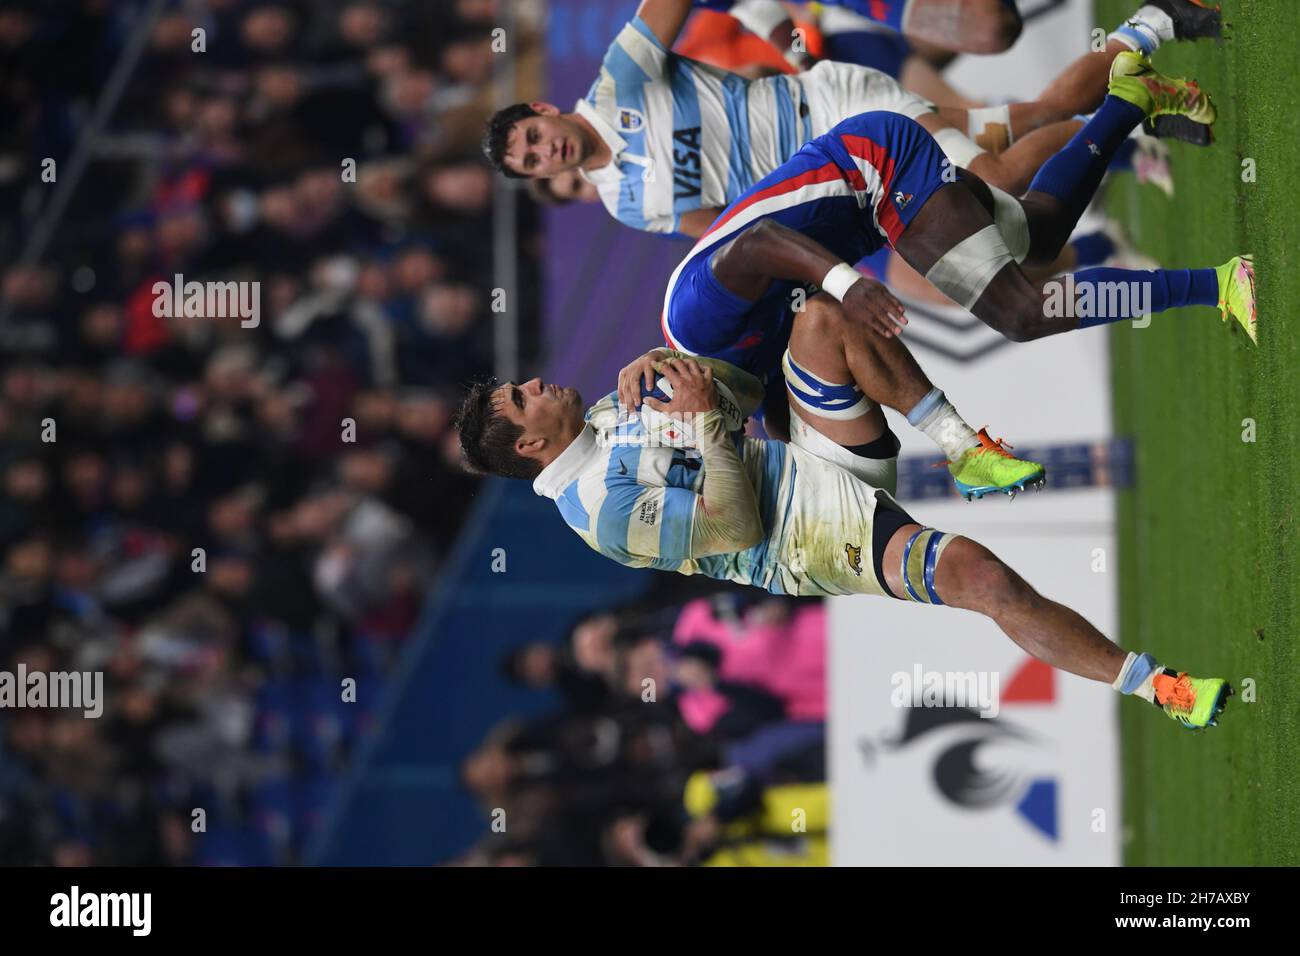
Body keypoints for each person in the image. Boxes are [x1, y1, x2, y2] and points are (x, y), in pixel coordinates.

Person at [453, 354, 1232, 730]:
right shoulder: (597, 511)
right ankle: (1160, 688)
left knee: (822, 322)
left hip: (807, 457)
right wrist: (695, 419)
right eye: (521, 399)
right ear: (527, 448)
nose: (534, 384)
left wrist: (692, 376)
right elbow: (735, 527)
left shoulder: (602, 411)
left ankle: (965, 446)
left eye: (519, 382)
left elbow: (750, 394)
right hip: (806, 535)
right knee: (985, 579)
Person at [482, 0, 1221, 236]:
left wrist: (783, 40)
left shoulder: (617, 78)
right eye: (533, 161)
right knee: (1029, 122)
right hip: (842, 167)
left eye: (534, 136)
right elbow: (731, 226)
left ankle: (1145, 74)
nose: (546, 152)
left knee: (989, 183)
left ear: (545, 111)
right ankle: (1147, 57)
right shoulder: (625, 205)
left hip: (833, 101)